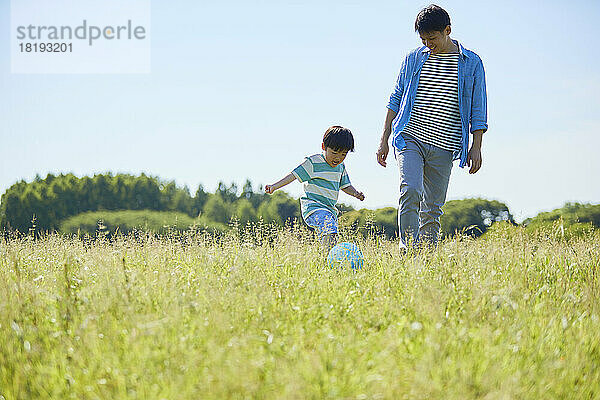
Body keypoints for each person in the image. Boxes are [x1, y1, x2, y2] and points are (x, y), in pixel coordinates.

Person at [376, 4, 488, 250]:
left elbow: (479, 109)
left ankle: (425, 258)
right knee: (411, 189)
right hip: (410, 137)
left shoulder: (471, 63)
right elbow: (395, 98)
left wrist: (476, 146)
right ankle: (407, 250)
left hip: (446, 145)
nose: (428, 44)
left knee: (433, 208)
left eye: (433, 38)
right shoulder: (414, 58)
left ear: (447, 30)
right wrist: (384, 138)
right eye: (423, 39)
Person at [265, 126, 365, 249]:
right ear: (324, 147)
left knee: (331, 234)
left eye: (343, 154)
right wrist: (274, 186)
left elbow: (345, 185)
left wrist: (355, 193)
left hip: (330, 210)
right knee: (329, 228)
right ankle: (327, 256)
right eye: (334, 152)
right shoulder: (313, 162)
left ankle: (324, 257)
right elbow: (293, 175)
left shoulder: (340, 167)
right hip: (313, 207)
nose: (338, 158)